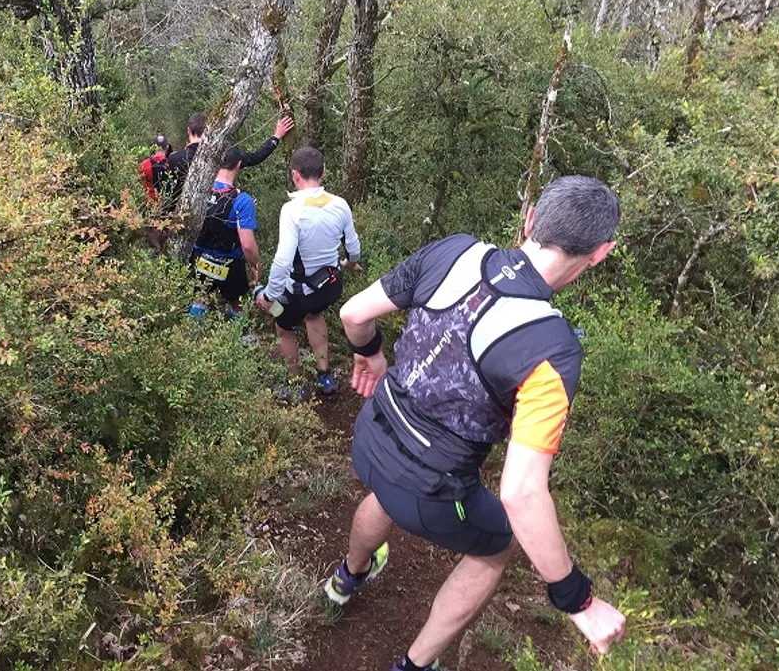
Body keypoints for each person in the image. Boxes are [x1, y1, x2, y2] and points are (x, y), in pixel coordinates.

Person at [324, 176, 626, 671]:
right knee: (500, 544)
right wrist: (578, 599)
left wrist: (372, 358)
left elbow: (354, 313)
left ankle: (347, 578)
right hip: (430, 487)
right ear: (600, 253)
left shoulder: (456, 251)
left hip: (372, 434)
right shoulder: (551, 348)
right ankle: (416, 664)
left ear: (530, 220)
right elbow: (522, 494)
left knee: (388, 491)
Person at [256, 146, 361, 396]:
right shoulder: (340, 204)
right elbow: (354, 247)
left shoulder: (292, 211)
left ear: (295, 175)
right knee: (314, 315)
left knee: (284, 328)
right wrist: (350, 262)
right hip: (331, 285)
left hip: (301, 291)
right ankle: (325, 377)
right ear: (323, 172)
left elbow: (282, 261)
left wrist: (269, 296)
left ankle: (294, 385)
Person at [190, 146, 260, 316]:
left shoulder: (197, 189)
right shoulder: (242, 201)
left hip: (199, 255)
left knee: (200, 298)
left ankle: (192, 337)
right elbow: (248, 245)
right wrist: (255, 264)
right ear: (239, 165)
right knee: (237, 303)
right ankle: (238, 338)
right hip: (231, 262)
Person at [167, 111, 294, 197]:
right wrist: (276, 137)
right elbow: (256, 157)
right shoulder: (222, 154)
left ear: (189, 131)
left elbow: (168, 193)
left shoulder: (174, 159)